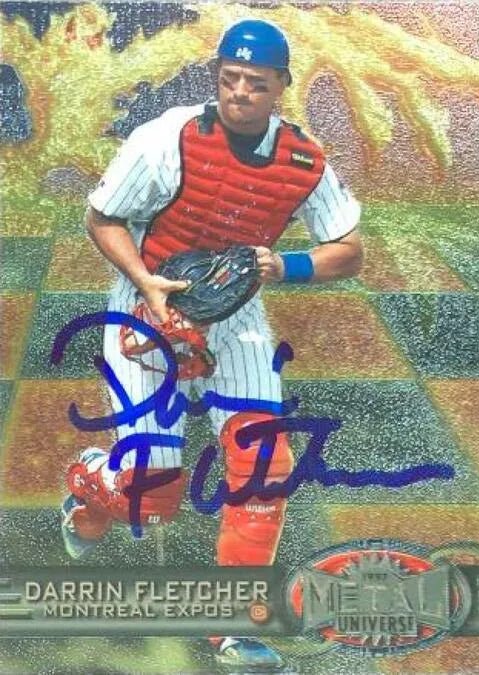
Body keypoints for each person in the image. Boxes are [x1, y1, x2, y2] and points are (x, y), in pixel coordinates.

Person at [61, 18, 363, 670]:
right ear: (216, 77)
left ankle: (232, 625)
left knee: (264, 466)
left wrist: (289, 266)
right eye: (230, 79)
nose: (240, 93)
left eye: (256, 83)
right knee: (153, 495)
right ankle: (90, 479)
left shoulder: (303, 160)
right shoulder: (167, 137)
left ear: (281, 85)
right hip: (151, 304)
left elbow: (349, 249)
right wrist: (144, 280)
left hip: (235, 317)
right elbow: (101, 217)